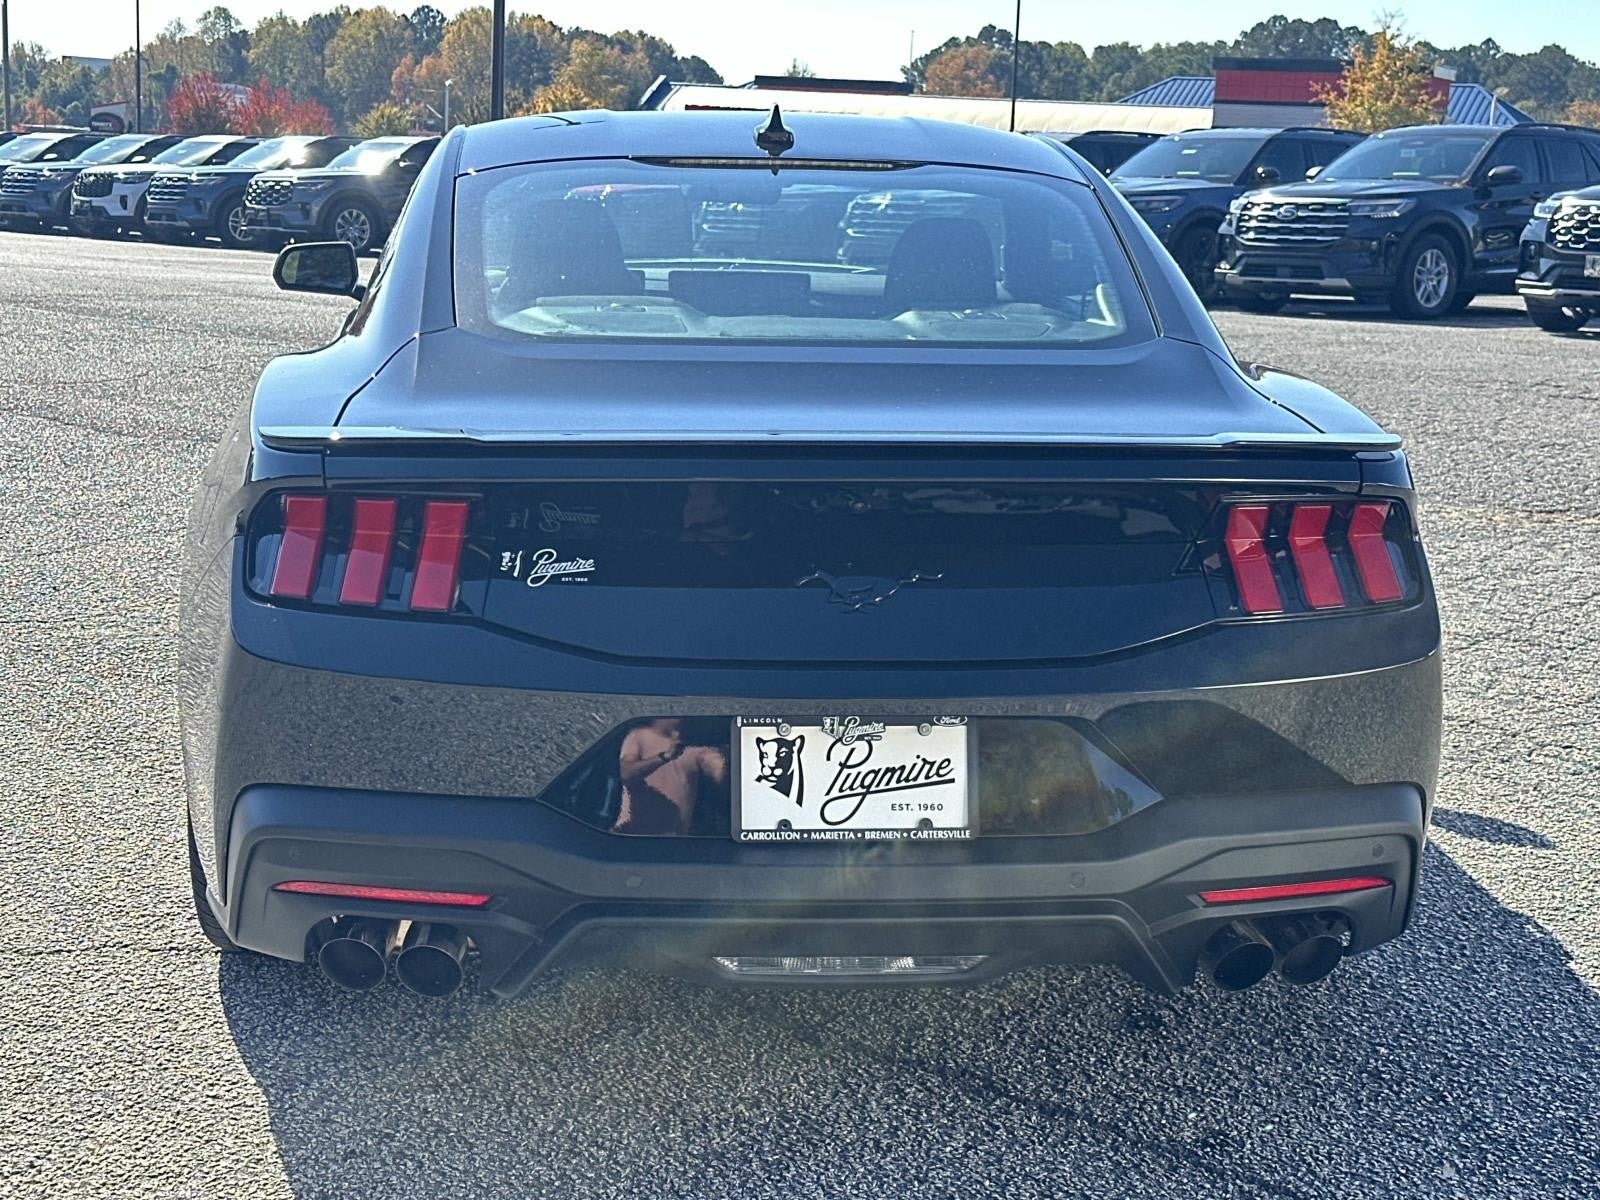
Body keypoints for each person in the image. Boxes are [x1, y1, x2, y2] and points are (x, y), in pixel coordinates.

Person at [613, 718, 727, 835]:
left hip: (672, 843)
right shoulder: (639, 735)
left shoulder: (698, 750)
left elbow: (724, 776)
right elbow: (626, 772)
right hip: (630, 837)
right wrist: (664, 757)